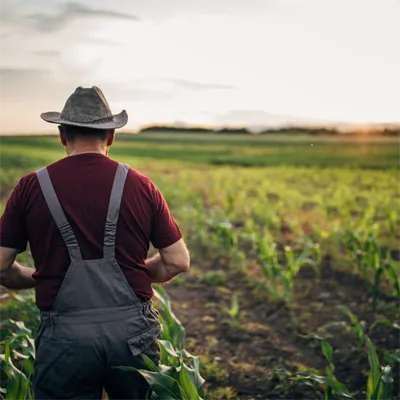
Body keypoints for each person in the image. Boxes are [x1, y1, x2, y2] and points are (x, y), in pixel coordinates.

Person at [0, 86, 190, 399]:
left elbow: (2, 267)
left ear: (62, 135)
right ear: (112, 135)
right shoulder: (142, 186)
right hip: (132, 335)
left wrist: (36, 279)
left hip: (64, 337)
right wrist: (139, 273)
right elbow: (177, 261)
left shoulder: (31, 187)